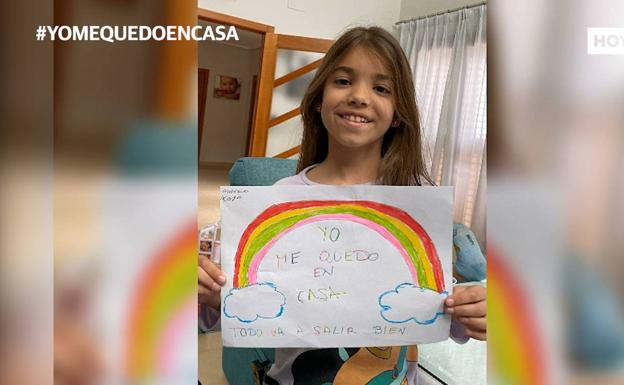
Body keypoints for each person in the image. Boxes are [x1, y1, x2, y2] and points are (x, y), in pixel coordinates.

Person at [199, 26, 486, 384]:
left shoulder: (418, 202)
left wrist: (474, 307)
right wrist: (213, 294)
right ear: (318, 99)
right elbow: (234, 307)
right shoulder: (282, 196)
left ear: (398, 113)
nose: (360, 97)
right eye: (343, 81)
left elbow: (449, 308)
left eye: (381, 88)